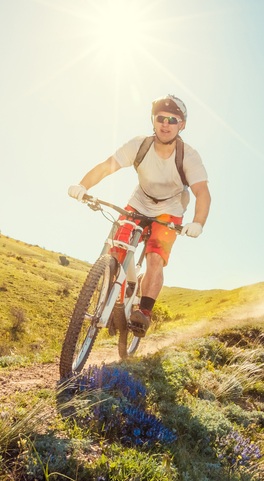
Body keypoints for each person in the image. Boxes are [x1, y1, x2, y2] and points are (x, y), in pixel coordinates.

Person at [68, 95, 210, 336]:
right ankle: (114, 300)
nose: (165, 124)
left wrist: (198, 222)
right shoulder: (139, 145)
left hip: (170, 211)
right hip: (138, 202)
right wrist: (83, 186)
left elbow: (202, 193)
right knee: (116, 248)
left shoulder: (189, 156)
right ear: (153, 121)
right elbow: (106, 166)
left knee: (155, 257)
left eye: (172, 120)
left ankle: (143, 311)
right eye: (160, 118)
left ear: (182, 125)